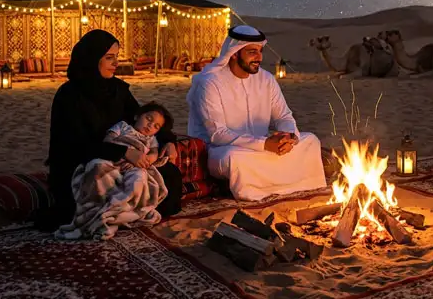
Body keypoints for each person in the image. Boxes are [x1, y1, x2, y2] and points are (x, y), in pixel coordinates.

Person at [36, 29, 185, 231]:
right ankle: (119, 215)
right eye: (109, 58)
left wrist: (167, 140)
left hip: (122, 159)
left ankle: (123, 214)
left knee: (171, 176)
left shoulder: (117, 89)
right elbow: (76, 145)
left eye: (116, 57)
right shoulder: (69, 95)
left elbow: (142, 117)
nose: (116, 63)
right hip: (84, 161)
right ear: (92, 58)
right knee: (93, 188)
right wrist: (124, 152)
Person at [186, 25, 327, 201]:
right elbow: (217, 135)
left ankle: (287, 185)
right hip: (221, 150)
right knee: (234, 158)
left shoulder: (266, 79)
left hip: (262, 146)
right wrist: (264, 144)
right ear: (235, 52)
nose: (258, 57)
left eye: (260, 51)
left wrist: (289, 136)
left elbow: (283, 116)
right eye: (252, 52)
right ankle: (262, 188)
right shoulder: (210, 83)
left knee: (310, 141)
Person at [105, 102, 174, 174]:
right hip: (114, 157)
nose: (150, 125)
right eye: (149, 119)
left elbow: (154, 153)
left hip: (134, 166)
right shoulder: (123, 126)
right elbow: (108, 140)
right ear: (137, 116)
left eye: (156, 126)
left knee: (139, 176)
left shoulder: (151, 139)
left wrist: (144, 161)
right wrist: (123, 151)